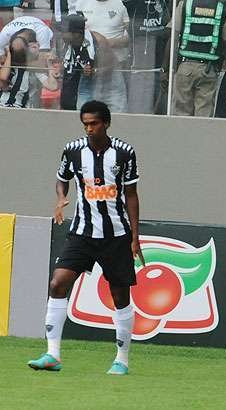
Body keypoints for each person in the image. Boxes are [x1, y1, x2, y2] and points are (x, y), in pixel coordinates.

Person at [27, 100, 144, 376]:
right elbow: (61, 178)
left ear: (106, 123)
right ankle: (52, 354)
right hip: (82, 232)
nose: (89, 129)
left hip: (116, 235)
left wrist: (135, 236)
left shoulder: (124, 152)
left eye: (94, 124)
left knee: (120, 295)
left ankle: (122, 359)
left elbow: (131, 194)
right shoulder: (73, 150)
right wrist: (61, 198)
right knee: (57, 283)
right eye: (85, 124)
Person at [172, 0, 226, 117]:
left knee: (181, 115)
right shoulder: (221, 7)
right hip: (208, 69)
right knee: (204, 116)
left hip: (185, 66)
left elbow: (173, 36)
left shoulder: (185, 4)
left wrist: (166, 68)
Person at [77, 0, 130, 111]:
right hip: (89, 69)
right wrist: (96, 42)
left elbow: (130, 37)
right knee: (88, 111)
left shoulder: (120, 4)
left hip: (114, 68)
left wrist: (108, 43)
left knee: (118, 110)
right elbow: (74, 35)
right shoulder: (82, 3)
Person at [0, 29, 58, 108]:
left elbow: (53, 86)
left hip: (22, 109)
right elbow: (3, 78)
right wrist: (9, 54)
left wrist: (49, 65)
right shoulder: (7, 65)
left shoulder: (34, 69)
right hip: (3, 106)